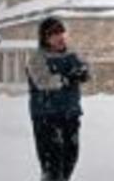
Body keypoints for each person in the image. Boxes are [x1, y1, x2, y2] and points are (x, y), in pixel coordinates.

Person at [26, 16, 90, 181]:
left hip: (70, 114)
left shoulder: (72, 54)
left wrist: (84, 73)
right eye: (54, 34)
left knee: (71, 158)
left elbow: (85, 69)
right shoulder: (37, 58)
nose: (60, 37)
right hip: (47, 116)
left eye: (61, 32)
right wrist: (68, 78)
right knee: (52, 163)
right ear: (45, 37)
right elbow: (43, 81)